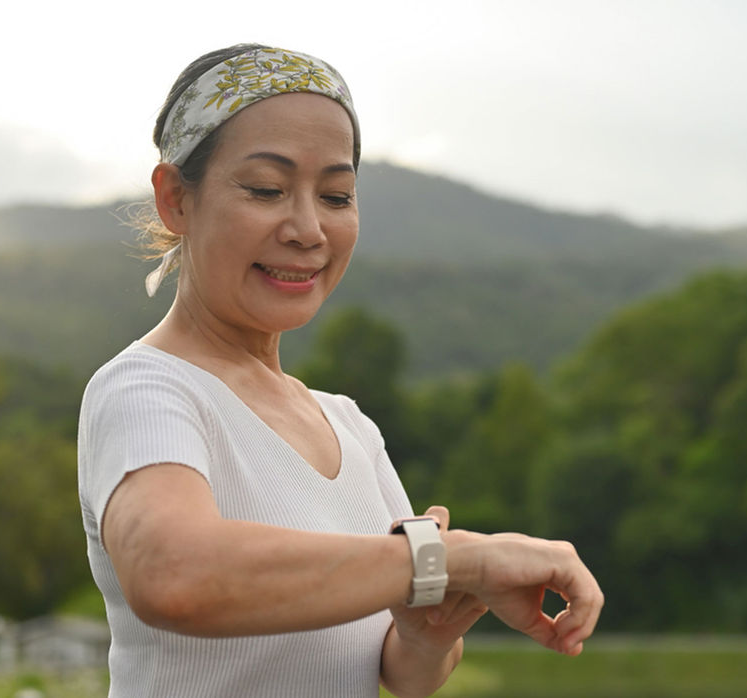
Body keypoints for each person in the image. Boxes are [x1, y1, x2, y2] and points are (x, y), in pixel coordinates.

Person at [76, 44, 603, 698]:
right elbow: (174, 576)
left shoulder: (347, 424)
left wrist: (428, 632)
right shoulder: (147, 390)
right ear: (175, 200)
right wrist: (452, 559)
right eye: (266, 189)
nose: (307, 229)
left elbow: (403, 670)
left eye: (336, 195)